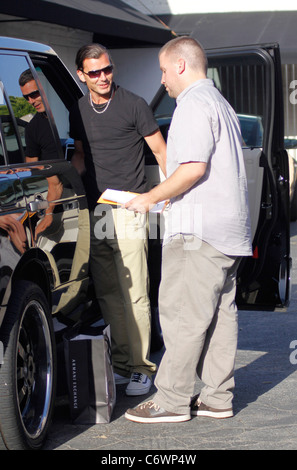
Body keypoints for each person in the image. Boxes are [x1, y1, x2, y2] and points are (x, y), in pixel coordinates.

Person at [124, 36, 252, 422]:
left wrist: (149, 197)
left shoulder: (193, 104)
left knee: (182, 315)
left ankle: (171, 400)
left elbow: (192, 167)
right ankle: (217, 396)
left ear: (181, 65)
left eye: (163, 70)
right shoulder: (222, 104)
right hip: (228, 231)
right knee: (218, 317)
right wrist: (168, 196)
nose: (162, 79)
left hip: (199, 230)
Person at [69, 43, 167, 396]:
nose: (103, 77)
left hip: (129, 207)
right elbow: (81, 156)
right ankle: (124, 362)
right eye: (94, 72)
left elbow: (161, 151)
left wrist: (165, 198)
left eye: (107, 69)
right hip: (97, 210)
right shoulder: (78, 108)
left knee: (136, 292)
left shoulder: (134, 104)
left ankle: (142, 367)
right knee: (110, 291)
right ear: (82, 75)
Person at [19, 69, 58, 162]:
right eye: (26, 97)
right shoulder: (32, 128)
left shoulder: (73, 112)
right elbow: (32, 166)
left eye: (34, 94)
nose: (31, 101)